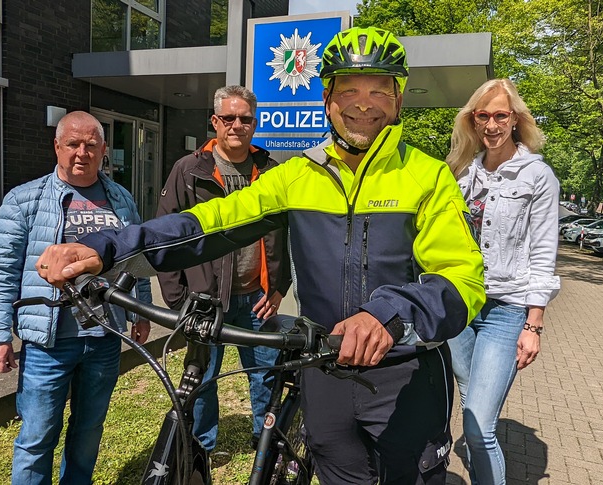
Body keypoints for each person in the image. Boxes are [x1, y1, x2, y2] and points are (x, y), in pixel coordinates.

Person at [37, 27, 486, 484]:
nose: (363, 102)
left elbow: (462, 280)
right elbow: (209, 222)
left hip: (404, 376)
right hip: (323, 371)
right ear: (327, 97)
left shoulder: (428, 177)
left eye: (378, 89)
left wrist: (386, 317)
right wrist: (105, 248)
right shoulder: (297, 176)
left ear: (398, 98)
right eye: (348, 88)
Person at [0, 110, 153, 485]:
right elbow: (0, 272)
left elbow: (137, 258)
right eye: (72, 144)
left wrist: (143, 311)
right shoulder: (24, 200)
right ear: (56, 146)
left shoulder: (120, 199)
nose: (81, 153)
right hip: (48, 343)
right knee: (37, 436)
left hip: (105, 338)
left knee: (89, 430)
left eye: (91, 145)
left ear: (104, 150)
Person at [156, 85, 290, 451]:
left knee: (266, 373)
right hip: (204, 300)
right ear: (214, 121)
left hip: (257, 298)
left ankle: (265, 441)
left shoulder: (270, 170)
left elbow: (283, 231)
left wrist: (279, 286)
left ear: (255, 123)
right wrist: (176, 298)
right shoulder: (188, 170)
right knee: (202, 377)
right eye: (228, 118)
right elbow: (165, 236)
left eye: (245, 119)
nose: (237, 125)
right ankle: (203, 446)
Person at [445, 78, 561, 485]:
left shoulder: (538, 176)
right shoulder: (461, 171)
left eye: (500, 115)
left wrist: (534, 323)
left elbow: (544, 251)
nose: (491, 125)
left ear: (515, 119)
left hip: (506, 311)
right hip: (461, 304)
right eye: (483, 116)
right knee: (467, 402)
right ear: (472, 120)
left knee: (479, 429)